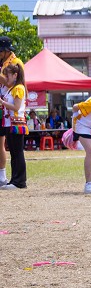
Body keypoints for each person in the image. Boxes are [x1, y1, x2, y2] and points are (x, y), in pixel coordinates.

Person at [0, 36, 24, 188]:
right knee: (13, 149)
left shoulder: (16, 63)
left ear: (5, 51)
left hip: (13, 115)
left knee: (16, 150)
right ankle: (14, 180)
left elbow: (11, 83)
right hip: (7, 112)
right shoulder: (3, 63)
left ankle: (17, 180)